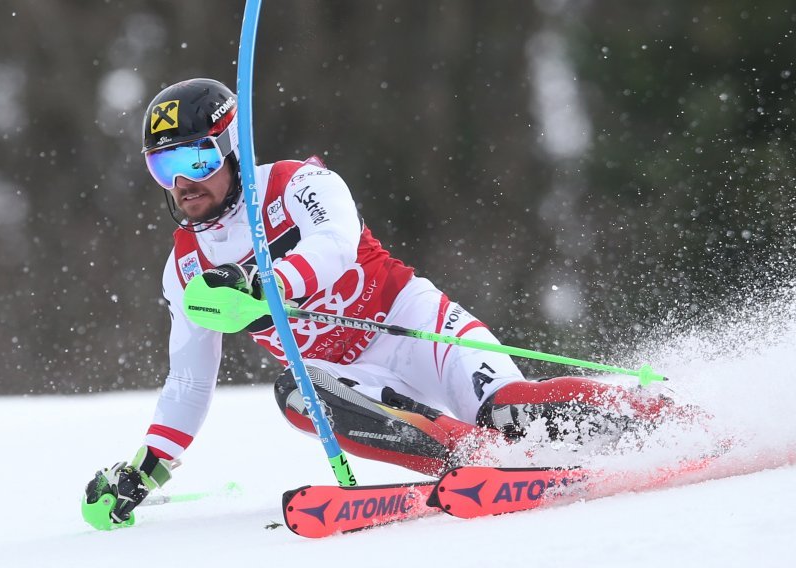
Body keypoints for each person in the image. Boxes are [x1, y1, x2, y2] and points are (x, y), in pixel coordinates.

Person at [83, 78, 674, 527]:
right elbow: (188, 382)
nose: (184, 183)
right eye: (165, 168)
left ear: (233, 148)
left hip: (412, 326)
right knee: (296, 391)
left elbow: (334, 248)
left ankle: (666, 420)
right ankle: (464, 459)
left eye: (198, 159)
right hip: (349, 378)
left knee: (508, 411)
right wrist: (144, 471)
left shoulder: (301, 186)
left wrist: (264, 286)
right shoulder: (186, 268)